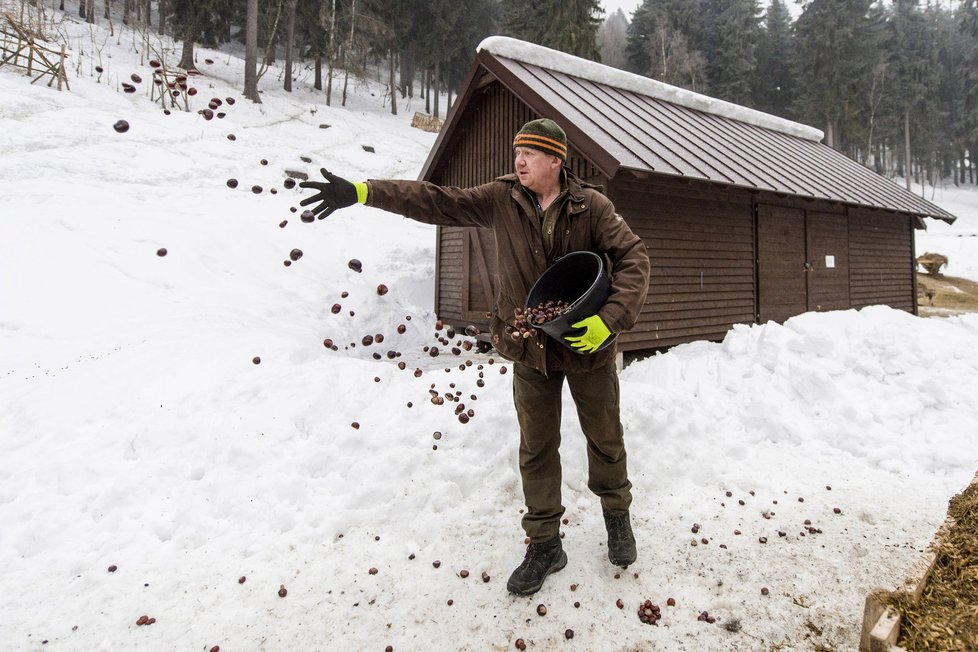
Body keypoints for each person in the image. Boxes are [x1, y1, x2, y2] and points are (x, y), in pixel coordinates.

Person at [299, 118, 650, 596]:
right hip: (530, 346)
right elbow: (436, 201)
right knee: (537, 446)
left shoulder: (593, 206)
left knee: (605, 435)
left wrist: (609, 319)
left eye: (529, 154)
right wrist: (363, 191)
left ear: (555, 161)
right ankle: (546, 543)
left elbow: (634, 258)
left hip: (588, 346)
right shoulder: (500, 198)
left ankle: (616, 517)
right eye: (516, 152)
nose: (518, 161)